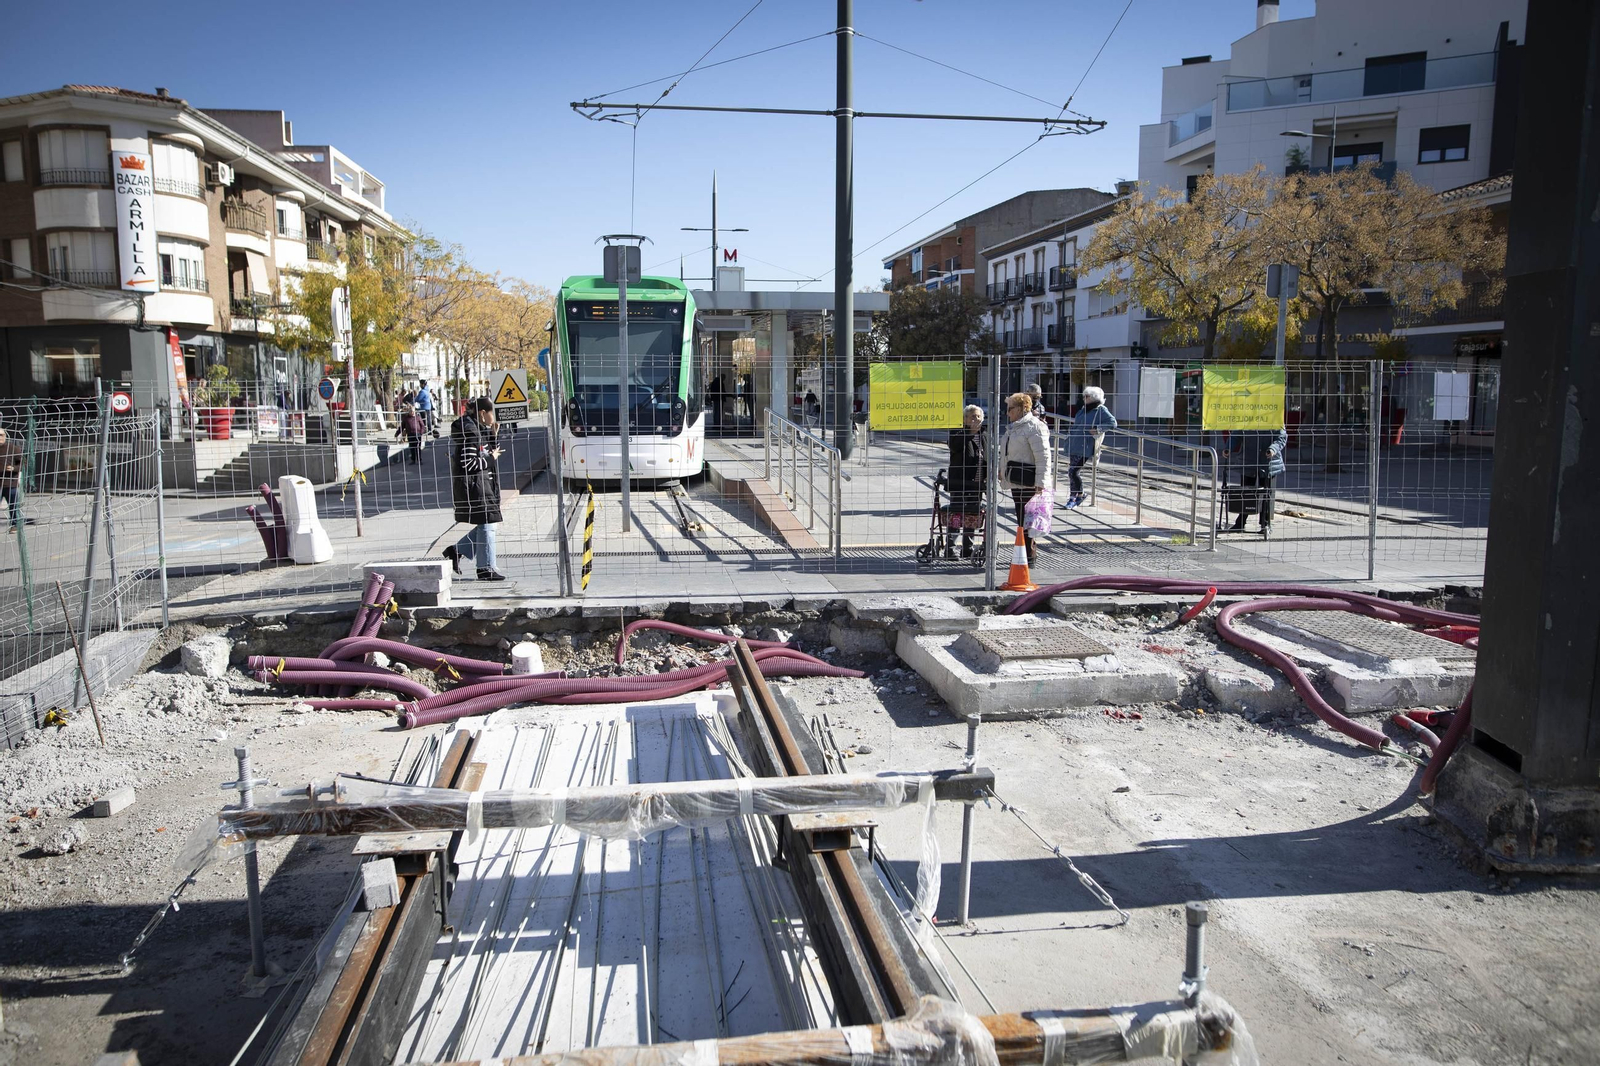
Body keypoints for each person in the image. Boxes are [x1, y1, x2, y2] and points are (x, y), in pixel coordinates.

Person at [444, 397, 506, 581]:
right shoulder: (470, 432)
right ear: (482, 413)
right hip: (475, 487)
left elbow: (485, 451)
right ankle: (485, 568)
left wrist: (493, 436)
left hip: (483, 484)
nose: (493, 417)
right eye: (491, 413)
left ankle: (457, 551)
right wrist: (491, 458)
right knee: (487, 523)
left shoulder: (478, 429)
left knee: (487, 523)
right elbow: (468, 463)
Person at [999, 392, 1051, 566]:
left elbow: (1043, 457)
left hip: (1029, 480)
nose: (1008, 413)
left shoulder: (1035, 427)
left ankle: (1029, 555)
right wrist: (1002, 470)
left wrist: (1040, 484)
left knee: (1028, 520)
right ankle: (1024, 554)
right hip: (1016, 478)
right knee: (1022, 518)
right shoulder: (1016, 426)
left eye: (1011, 409)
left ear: (1022, 408)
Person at [1228, 427, 1288, 537]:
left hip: (1269, 461)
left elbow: (1281, 437)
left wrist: (1273, 449)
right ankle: (1240, 522)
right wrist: (1229, 447)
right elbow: (1236, 434)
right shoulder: (1248, 415)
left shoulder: (1274, 415)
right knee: (1245, 492)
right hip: (1248, 459)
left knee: (1266, 494)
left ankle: (1265, 523)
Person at [1063, 385, 1117, 507]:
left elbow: (1113, 422)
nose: (1084, 398)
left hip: (1085, 446)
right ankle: (1075, 496)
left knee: (1073, 471)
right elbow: (1076, 424)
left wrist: (1098, 429)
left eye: (1086, 396)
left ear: (1093, 397)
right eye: (1084, 396)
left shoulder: (1100, 410)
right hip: (1075, 443)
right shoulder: (1083, 409)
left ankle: (1077, 496)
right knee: (1072, 471)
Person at [946, 404, 987, 558]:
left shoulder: (985, 435)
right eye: (972, 417)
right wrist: (970, 432)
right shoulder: (958, 432)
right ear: (965, 419)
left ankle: (967, 548)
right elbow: (954, 446)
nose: (975, 419)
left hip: (977, 484)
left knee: (971, 517)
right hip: (960, 483)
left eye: (978, 416)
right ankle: (950, 549)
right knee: (956, 516)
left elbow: (987, 458)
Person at [0, 428, 22, 531]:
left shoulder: (13, 449)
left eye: (1, 435)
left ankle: (15, 525)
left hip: (10, 484)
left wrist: (14, 468)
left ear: (5, 436)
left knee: (14, 507)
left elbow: (23, 464)